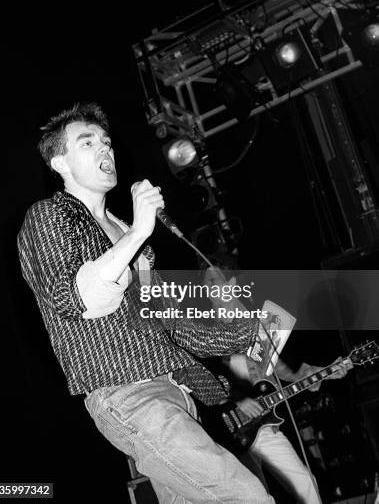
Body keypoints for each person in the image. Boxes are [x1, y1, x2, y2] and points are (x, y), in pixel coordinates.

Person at [17, 102, 275, 504]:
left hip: (178, 389)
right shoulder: (51, 216)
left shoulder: (128, 234)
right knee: (246, 494)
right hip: (128, 395)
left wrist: (247, 326)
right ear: (59, 162)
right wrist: (138, 232)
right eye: (88, 144)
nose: (105, 149)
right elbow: (77, 299)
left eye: (106, 142)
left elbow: (174, 328)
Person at [202, 265, 352, 503]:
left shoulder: (256, 322)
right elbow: (200, 375)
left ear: (231, 283)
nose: (209, 286)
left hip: (262, 424)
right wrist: (237, 400)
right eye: (206, 282)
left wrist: (321, 372)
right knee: (252, 496)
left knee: (305, 483)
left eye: (214, 280)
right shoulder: (203, 327)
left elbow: (279, 369)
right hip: (224, 426)